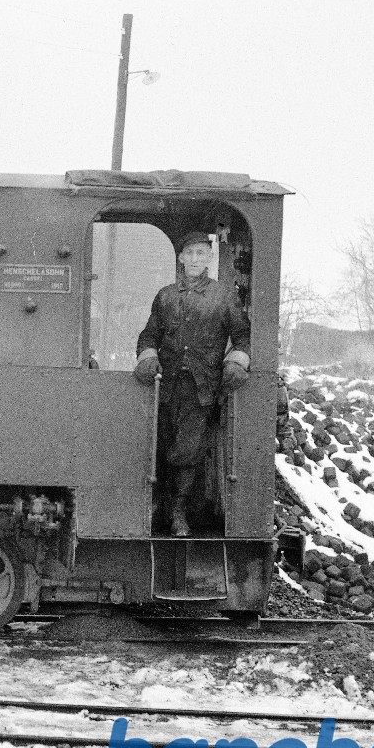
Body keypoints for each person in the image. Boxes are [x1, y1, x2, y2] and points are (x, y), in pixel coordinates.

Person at [134, 229, 251, 537]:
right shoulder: (166, 296)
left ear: (209, 258)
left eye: (202, 253)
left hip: (201, 390)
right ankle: (154, 507)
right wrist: (147, 357)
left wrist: (237, 360)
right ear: (181, 258)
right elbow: (149, 335)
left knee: (187, 451)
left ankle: (178, 511)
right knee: (157, 447)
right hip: (164, 387)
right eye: (191, 254)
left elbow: (243, 336)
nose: (196, 259)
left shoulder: (223, 296)